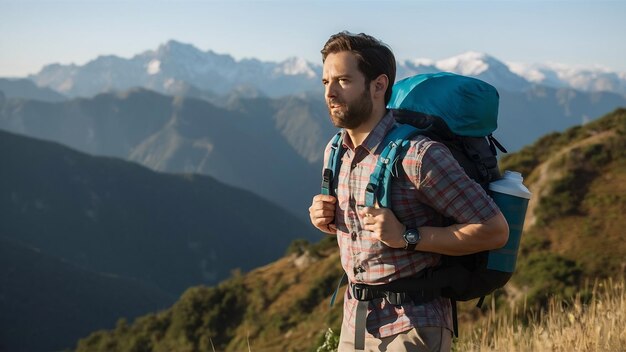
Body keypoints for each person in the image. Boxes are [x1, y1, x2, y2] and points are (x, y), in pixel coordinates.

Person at [308, 31, 509, 352]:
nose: (330, 92)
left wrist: (408, 236)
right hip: (354, 321)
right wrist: (326, 219)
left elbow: (494, 231)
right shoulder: (336, 152)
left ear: (378, 85)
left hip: (413, 324)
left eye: (343, 80)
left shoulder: (419, 155)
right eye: (325, 82)